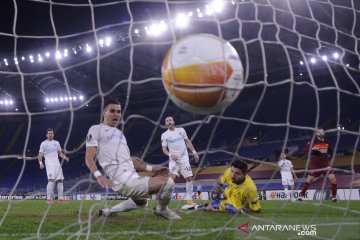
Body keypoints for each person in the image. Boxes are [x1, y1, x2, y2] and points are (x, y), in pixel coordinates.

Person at [85, 98, 181, 220]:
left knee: (141, 202)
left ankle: (108, 212)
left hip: (133, 176)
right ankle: (162, 209)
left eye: (118, 112)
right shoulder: (96, 129)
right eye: (112, 111)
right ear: (104, 113)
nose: (116, 114)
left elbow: (130, 161)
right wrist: (99, 176)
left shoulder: (120, 134)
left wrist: (153, 168)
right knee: (168, 182)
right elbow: (88, 157)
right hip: (122, 180)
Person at [161, 116, 199, 205]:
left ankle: (189, 200)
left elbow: (187, 141)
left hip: (184, 158)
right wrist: (171, 155)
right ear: (165, 124)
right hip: (173, 160)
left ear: (173, 121)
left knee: (189, 178)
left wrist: (194, 152)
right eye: (167, 121)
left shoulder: (181, 130)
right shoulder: (164, 135)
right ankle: (164, 200)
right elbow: (164, 149)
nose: (169, 122)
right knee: (171, 180)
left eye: (170, 120)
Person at [298, 127, 337, 202]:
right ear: (316, 134)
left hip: (325, 165)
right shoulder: (313, 142)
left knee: (333, 179)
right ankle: (301, 196)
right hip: (315, 166)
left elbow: (331, 152)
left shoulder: (327, 142)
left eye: (321, 132)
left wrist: (329, 159)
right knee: (309, 181)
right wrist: (312, 149)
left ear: (324, 133)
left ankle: (334, 197)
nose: (320, 133)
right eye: (319, 132)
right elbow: (305, 150)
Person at [38, 128, 69, 204]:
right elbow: (40, 155)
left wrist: (65, 157)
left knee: (60, 180)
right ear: (47, 135)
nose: (50, 134)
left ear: (53, 134)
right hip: (49, 163)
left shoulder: (57, 143)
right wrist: (40, 163)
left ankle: (60, 199)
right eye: (49, 133)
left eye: (51, 133)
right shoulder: (43, 143)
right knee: (51, 180)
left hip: (57, 163)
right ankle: (49, 199)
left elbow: (60, 153)